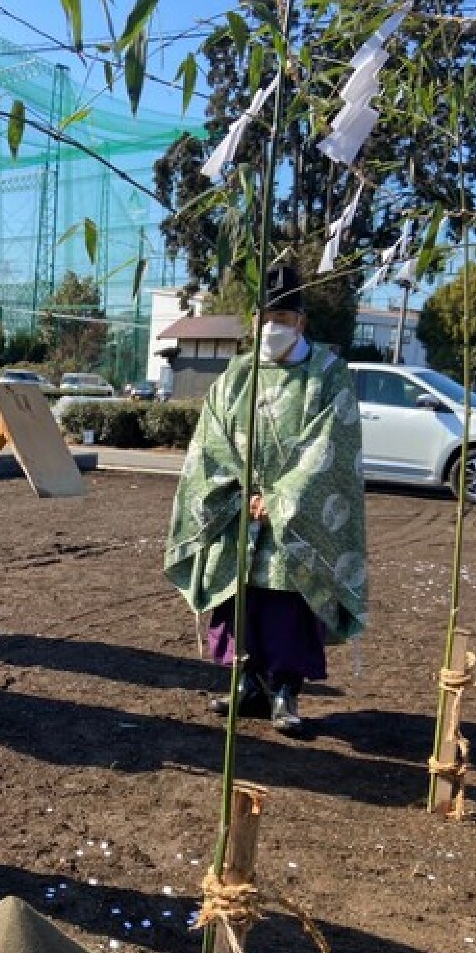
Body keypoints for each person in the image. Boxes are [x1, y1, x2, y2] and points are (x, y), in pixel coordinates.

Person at [164, 264, 367, 736]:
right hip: (237, 507)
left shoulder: (328, 375)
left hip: (294, 515)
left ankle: (285, 691)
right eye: (265, 316)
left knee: (288, 604)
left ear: (300, 322)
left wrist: (280, 499)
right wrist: (240, 492)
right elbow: (211, 439)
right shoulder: (238, 374)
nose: (272, 327)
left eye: (282, 317)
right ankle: (246, 684)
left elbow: (331, 444)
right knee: (240, 598)